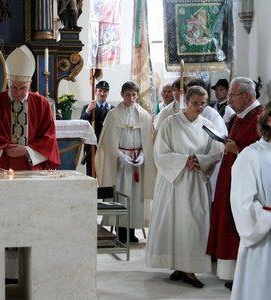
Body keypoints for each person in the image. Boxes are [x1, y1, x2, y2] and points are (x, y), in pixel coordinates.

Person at [145, 86, 223, 288]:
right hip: (173, 181)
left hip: (195, 181)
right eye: (196, 102)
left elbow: (217, 153)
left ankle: (191, 269)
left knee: (193, 225)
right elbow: (160, 152)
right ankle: (178, 264)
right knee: (173, 222)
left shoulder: (207, 126)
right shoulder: (170, 123)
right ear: (186, 102)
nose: (200, 107)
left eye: (203, 103)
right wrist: (182, 161)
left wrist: (199, 160)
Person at [206, 77, 263, 290]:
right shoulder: (242, 116)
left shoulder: (260, 118)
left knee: (242, 223)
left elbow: (263, 151)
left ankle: (245, 271)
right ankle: (235, 270)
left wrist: (236, 150)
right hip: (232, 176)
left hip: (249, 183)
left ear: (247, 96)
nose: (229, 99)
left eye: (232, 95)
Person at [0, 45, 60, 171]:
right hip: (2, 164)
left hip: (31, 164)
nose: (18, 93)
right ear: (8, 83)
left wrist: (26, 151)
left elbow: (49, 137)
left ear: (30, 84)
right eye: (14, 88)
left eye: (23, 88)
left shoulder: (41, 104)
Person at [95, 81, 155, 243]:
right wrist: (121, 156)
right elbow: (107, 141)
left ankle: (132, 232)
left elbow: (149, 141)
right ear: (122, 95)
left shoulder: (144, 115)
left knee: (136, 198)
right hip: (120, 164)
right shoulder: (113, 115)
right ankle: (121, 233)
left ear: (137, 95)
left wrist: (142, 155)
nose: (131, 97)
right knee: (122, 196)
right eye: (128, 94)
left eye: (134, 94)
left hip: (137, 163)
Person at [230, 100, 271, 300]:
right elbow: (241, 204)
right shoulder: (251, 156)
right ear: (269, 121)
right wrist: (267, 218)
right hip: (264, 242)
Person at [80, 80, 114, 176]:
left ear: (108, 93)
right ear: (95, 92)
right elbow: (82, 124)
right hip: (92, 146)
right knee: (91, 174)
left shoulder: (112, 109)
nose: (102, 94)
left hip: (107, 146)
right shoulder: (87, 107)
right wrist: (88, 111)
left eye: (105, 91)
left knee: (106, 175)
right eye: (100, 91)